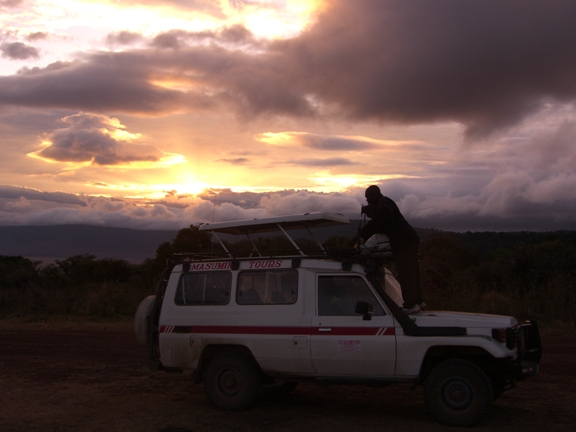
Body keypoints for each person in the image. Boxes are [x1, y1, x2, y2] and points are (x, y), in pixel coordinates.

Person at [359, 185, 425, 314]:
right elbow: (372, 226)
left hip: (404, 242)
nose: (367, 200)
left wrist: (370, 210)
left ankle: (411, 305)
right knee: (412, 272)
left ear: (374, 195)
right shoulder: (382, 205)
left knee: (406, 272)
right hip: (406, 241)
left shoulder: (384, 202)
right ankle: (419, 302)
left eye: (368, 198)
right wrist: (359, 236)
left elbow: (383, 214)